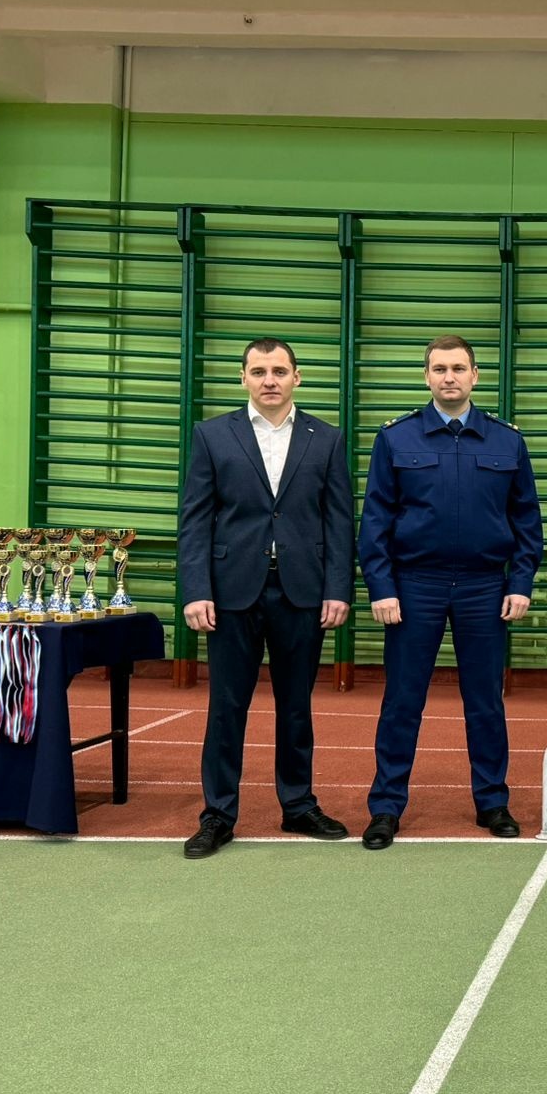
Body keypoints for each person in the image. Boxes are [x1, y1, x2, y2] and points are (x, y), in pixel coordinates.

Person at [357, 334, 543, 850]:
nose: (449, 377)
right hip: (414, 587)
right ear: (426, 376)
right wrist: (382, 585)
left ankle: (492, 801)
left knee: (484, 702)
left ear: (475, 375)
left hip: (486, 587)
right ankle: (386, 807)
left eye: (458, 368)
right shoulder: (396, 439)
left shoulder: (507, 441)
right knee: (402, 702)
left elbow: (527, 519)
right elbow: (375, 519)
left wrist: (521, 581)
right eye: (439, 369)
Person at [177, 337, 354, 859]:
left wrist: (338, 588)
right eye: (259, 371)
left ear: (297, 377)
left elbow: (340, 520)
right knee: (226, 707)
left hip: (302, 590)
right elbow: (195, 519)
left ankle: (298, 805)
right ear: (244, 379)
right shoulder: (212, 435)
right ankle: (217, 814)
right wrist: (195, 590)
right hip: (231, 592)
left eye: (279, 371)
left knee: (295, 706)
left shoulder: (327, 438)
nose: (269, 380)